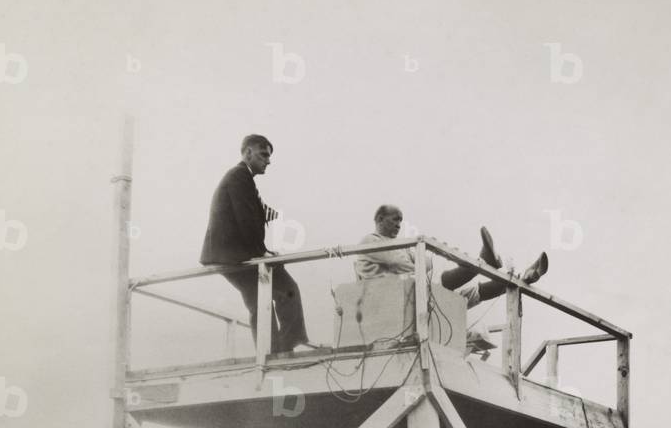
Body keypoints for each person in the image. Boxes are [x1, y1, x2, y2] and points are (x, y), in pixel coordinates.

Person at [201, 134, 309, 354]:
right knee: (285, 289)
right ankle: (282, 348)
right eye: (264, 155)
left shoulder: (242, 178)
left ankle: (273, 350)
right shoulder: (240, 177)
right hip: (234, 255)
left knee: (261, 298)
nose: (268, 161)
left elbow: (252, 213)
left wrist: (270, 219)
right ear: (248, 152)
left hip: (229, 253)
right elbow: (246, 220)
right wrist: (262, 254)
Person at [354, 205, 548, 309]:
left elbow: (426, 263)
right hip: (385, 299)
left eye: (401, 221)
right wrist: (417, 262)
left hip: (408, 295)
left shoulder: (400, 246)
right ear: (380, 219)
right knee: (437, 283)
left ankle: (523, 278)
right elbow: (406, 264)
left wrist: (418, 261)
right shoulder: (371, 240)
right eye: (395, 219)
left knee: (466, 295)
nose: (399, 224)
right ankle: (483, 261)